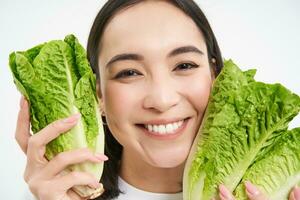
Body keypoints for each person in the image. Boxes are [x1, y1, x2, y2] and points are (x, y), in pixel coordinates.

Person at [15, 0, 300, 200]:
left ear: (216, 75)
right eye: (129, 72)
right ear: (97, 94)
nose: (162, 100)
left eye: (184, 65)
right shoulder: (49, 196)